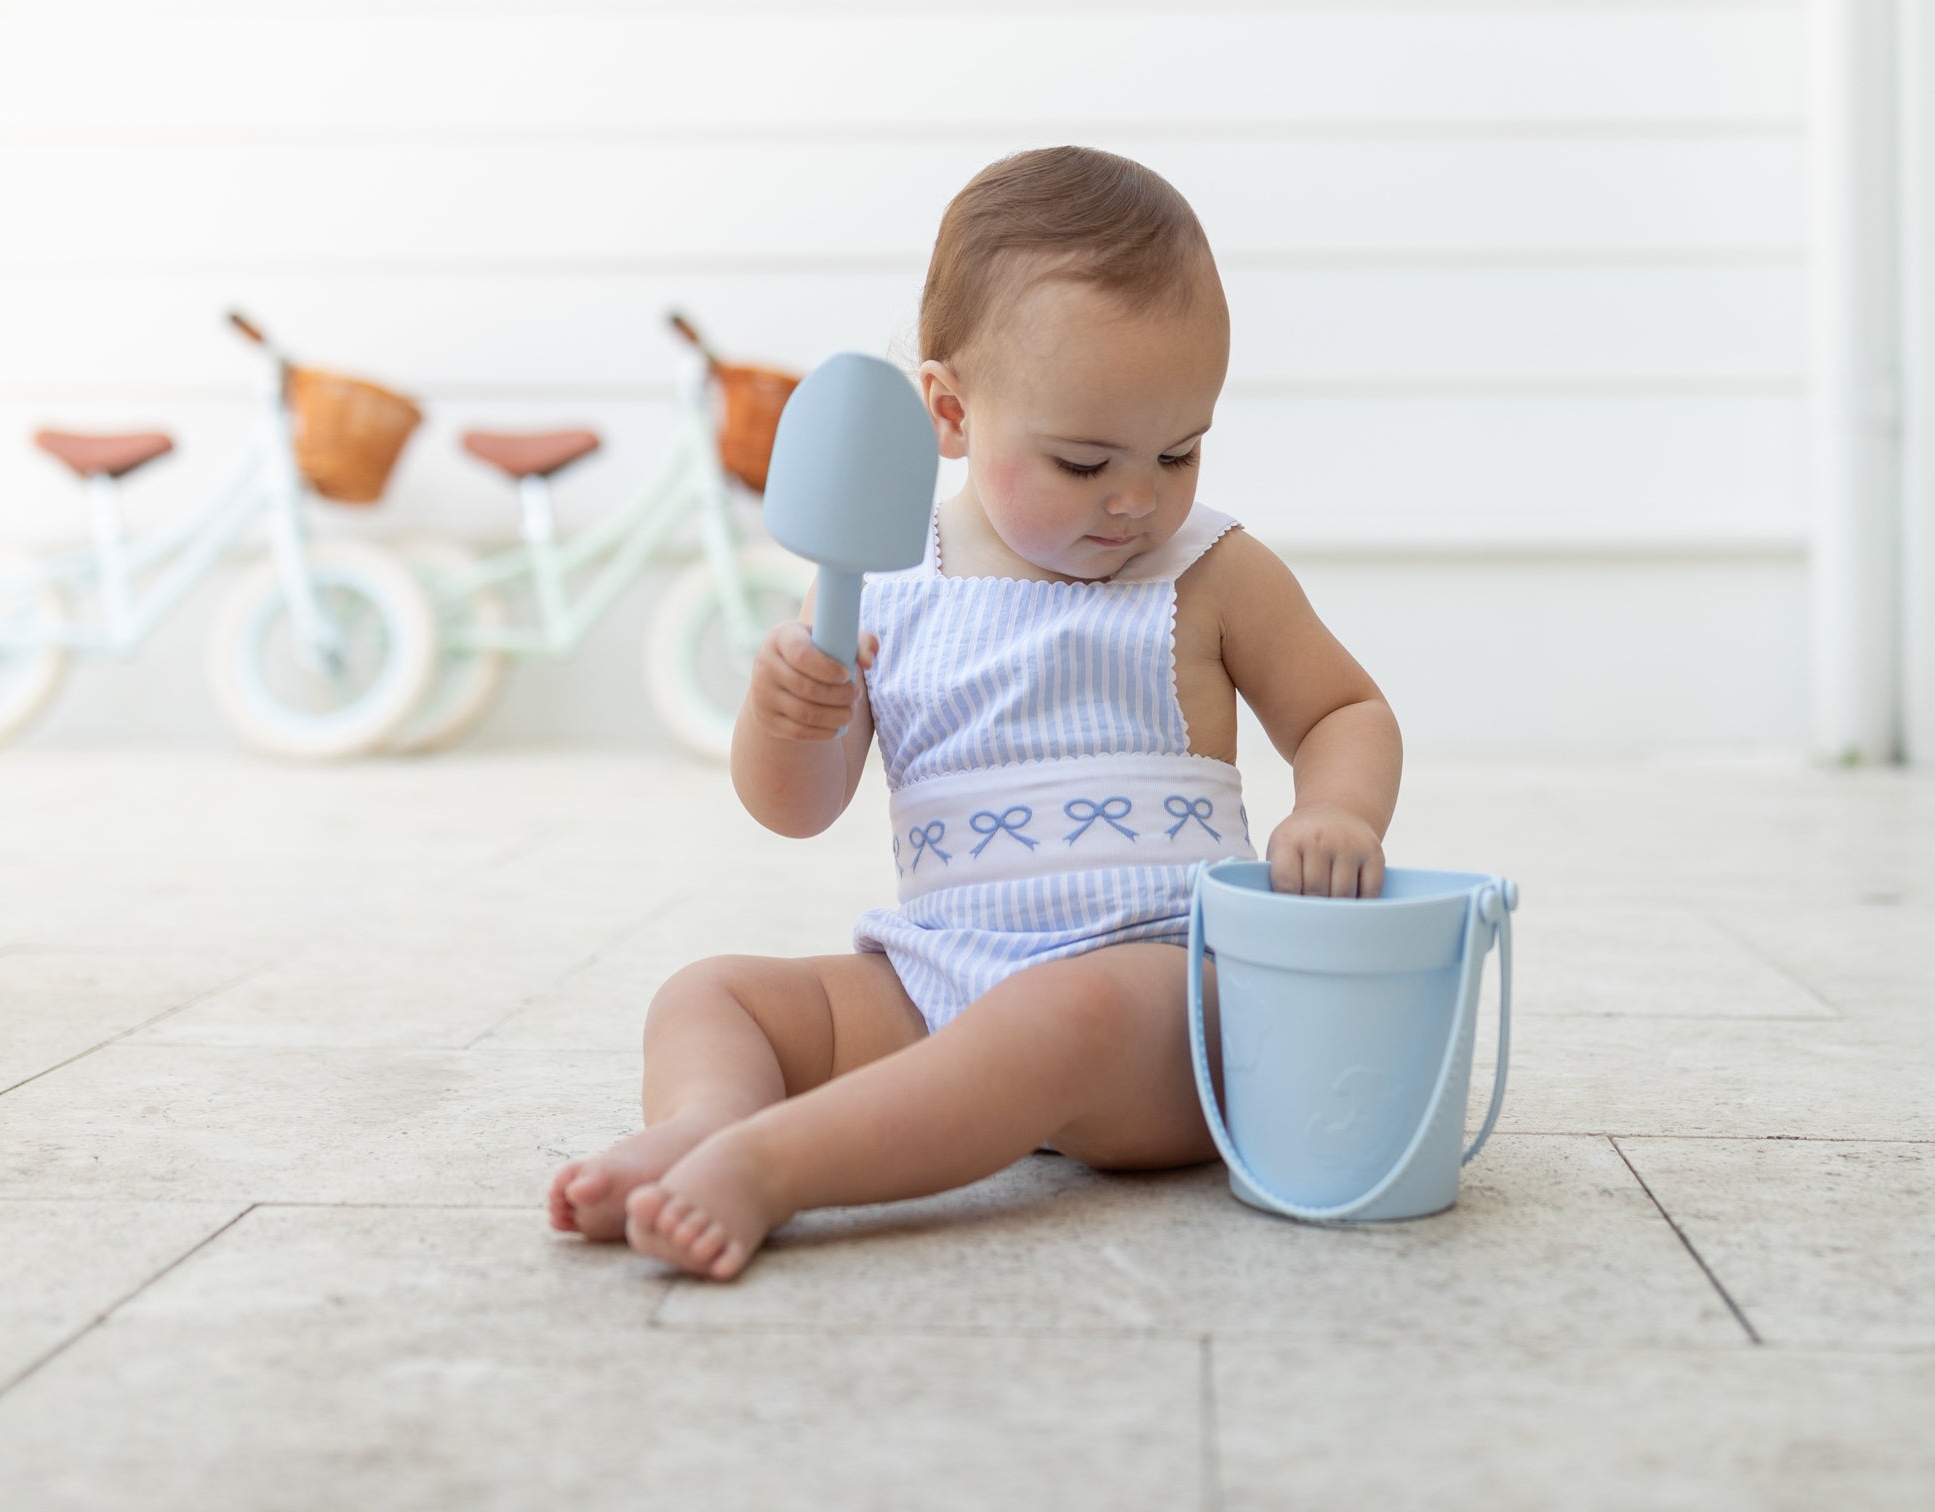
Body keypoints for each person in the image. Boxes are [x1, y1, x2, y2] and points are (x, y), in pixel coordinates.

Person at [547, 144, 1401, 1279]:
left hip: (1162, 995)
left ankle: (778, 1163)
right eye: (1083, 459)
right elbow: (795, 807)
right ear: (949, 411)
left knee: (1062, 1014)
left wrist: (1337, 807)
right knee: (712, 992)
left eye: (1178, 448)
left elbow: (1343, 706)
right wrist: (790, 716)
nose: (1138, 496)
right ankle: (704, 1116)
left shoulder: (1209, 571)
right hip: (939, 976)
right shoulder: (881, 582)